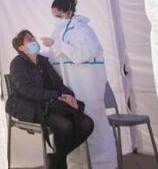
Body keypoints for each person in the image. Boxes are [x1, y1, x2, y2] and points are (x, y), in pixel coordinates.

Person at [40, 0, 117, 169]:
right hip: (72, 89)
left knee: (94, 126)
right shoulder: (59, 31)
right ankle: (79, 165)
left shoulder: (83, 30)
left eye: (58, 15)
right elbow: (55, 56)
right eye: (53, 15)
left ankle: (103, 165)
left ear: (69, 12)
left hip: (87, 88)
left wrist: (58, 45)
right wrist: (40, 54)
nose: (55, 19)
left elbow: (83, 54)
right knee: (76, 127)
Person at [7, 29, 94, 169]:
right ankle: (58, 162)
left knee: (87, 123)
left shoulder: (43, 61)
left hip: (50, 105)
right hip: (30, 108)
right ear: (21, 48)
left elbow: (58, 84)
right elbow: (28, 91)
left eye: (33, 37)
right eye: (29, 39)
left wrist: (69, 96)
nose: (34, 40)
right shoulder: (17, 64)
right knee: (65, 126)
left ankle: (57, 158)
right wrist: (58, 95)